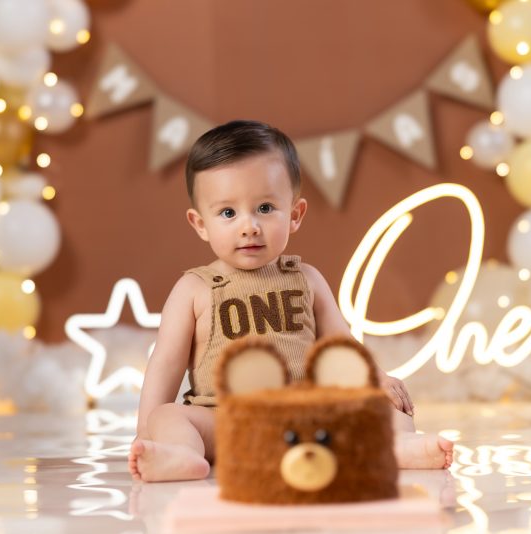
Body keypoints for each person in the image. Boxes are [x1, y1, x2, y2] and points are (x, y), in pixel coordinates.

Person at [128, 120, 453, 482]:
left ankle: (396, 445)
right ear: (200, 223)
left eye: (265, 208)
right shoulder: (195, 289)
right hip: (227, 423)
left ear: (295, 214)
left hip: (309, 422)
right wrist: (147, 430)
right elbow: (166, 362)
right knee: (167, 417)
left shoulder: (307, 279)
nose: (249, 226)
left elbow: (341, 344)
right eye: (228, 213)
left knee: (382, 403)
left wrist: (376, 376)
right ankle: (182, 455)